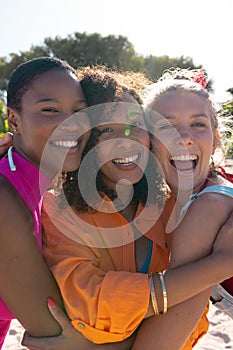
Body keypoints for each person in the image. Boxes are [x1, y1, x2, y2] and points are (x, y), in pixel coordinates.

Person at [33, 66, 233, 350]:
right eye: (105, 130)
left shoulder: (179, 204)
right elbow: (92, 304)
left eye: (134, 125)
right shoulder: (60, 210)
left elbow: (186, 320)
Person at [0, 57, 129, 350]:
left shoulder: (42, 191)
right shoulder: (4, 198)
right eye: (50, 109)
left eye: (80, 112)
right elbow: (56, 333)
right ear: (14, 120)